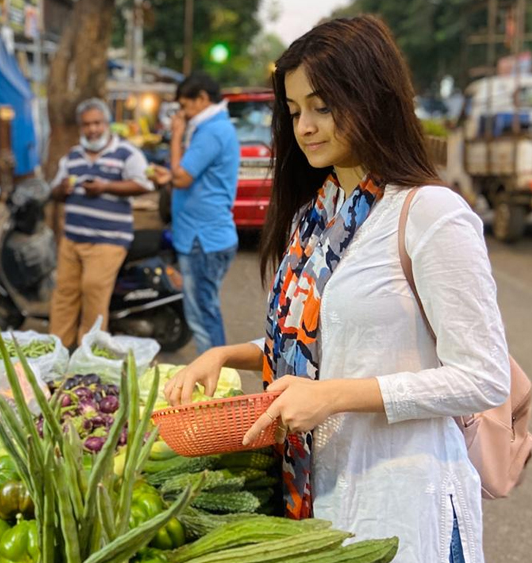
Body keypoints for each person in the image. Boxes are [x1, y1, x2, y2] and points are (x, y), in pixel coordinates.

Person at [164, 16, 510, 563]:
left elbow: (484, 376)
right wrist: (228, 354)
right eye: (296, 109)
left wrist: (332, 397)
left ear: (374, 97)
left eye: (323, 106)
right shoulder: (318, 215)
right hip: (317, 503)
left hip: (402, 503)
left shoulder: (430, 213)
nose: (305, 126)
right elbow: (326, 341)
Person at [48, 98, 154, 348]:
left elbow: (144, 184)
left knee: (93, 291)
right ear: (80, 127)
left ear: (107, 124)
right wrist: (62, 189)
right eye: (86, 125)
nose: (92, 129)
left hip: (109, 239)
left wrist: (106, 187)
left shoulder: (127, 153)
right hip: (72, 238)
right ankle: (58, 351)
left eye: (97, 123)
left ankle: (90, 356)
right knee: (64, 294)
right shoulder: (72, 156)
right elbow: (54, 191)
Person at [159, 72, 240, 355]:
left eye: (185, 105)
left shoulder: (212, 131)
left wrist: (177, 134)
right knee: (205, 310)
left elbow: (182, 178)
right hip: (206, 235)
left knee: (202, 316)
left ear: (203, 99)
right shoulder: (212, 127)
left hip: (202, 239)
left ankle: (215, 384)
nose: (182, 113)